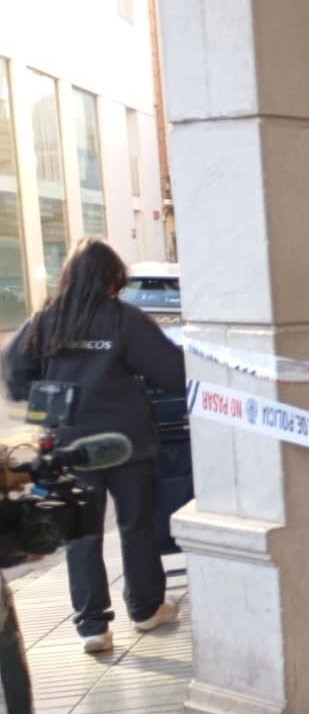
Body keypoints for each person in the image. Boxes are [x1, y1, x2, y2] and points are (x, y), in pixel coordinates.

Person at [2, 239, 185, 654]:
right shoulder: (124, 319)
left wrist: (46, 394)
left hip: (68, 444)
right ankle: (145, 608)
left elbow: (13, 372)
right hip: (126, 443)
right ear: (111, 277)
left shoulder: (45, 320)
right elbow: (172, 373)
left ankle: (92, 627)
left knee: (80, 532)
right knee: (136, 525)